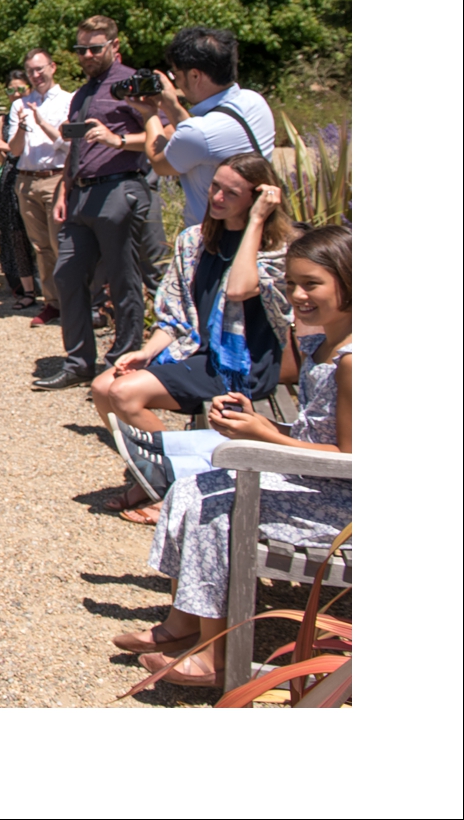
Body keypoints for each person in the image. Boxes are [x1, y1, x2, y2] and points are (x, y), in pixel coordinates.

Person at [111, 225, 350, 688]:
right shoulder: (323, 345)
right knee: (191, 486)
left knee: (216, 509)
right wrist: (257, 423)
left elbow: (351, 457)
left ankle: (217, 658)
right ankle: (184, 625)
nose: (298, 295)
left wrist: (263, 435)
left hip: (339, 506)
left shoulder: (355, 360)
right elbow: (319, 433)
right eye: (292, 284)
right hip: (316, 482)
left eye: (312, 284)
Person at [89, 152, 294, 522]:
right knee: (104, 386)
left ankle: (174, 487)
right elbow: (175, 313)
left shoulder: (274, 251)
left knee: (124, 393)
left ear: (257, 197)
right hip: (198, 354)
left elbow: (239, 288)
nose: (216, 198)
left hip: (242, 366)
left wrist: (258, 221)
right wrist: (147, 352)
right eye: (215, 187)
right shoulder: (194, 241)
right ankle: (150, 476)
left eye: (230, 193)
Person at [33, 16, 154, 390]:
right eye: (81, 48)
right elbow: (76, 148)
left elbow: (160, 133)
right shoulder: (84, 94)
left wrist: (118, 141)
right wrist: (64, 190)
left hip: (119, 188)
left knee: (122, 280)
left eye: (94, 48)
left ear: (114, 46)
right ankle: (79, 361)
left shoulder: (130, 83)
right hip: (81, 193)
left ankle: (121, 364)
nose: (86, 55)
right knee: (68, 274)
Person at [129, 26, 277, 225]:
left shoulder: (200, 132)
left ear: (195, 76)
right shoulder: (255, 101)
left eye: (176, 75)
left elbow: (159, 162)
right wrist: (172, 106)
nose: (177, 82)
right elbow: (199, 139)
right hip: (254, 228)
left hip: (215, 241)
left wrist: (150, 113)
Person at [5, 48, 75, 327]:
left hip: (56, 178)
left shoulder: (69, 101)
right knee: (41, 247)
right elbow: (13, 149)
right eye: (31, 71)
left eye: (40, 69)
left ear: (52, 67)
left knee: (62, 244)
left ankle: (74, 303)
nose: (36, 76)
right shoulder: (19, 104)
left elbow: (67, 143)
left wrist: (41, 121)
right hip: (26, 179)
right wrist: (23, 125)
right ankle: (52, 303)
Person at [0, 71, 39, 308]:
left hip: (33, 171)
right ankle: (25, 288)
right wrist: (2, 147)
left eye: (20, 89)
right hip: (11, 173)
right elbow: (2, 156)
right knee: (15, 234)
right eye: (11, 90)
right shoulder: (4, 119)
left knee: (40, 234)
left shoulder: (39, 112)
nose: (16, 94)